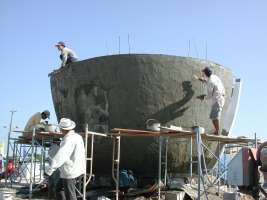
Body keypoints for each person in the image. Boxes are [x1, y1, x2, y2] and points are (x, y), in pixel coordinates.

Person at [46, 118, 86, 200]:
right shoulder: (78, 137)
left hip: (70, 171)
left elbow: (61, 156)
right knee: (59, 189)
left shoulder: (68, 139)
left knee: (70, 194)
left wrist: (50, 170)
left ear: (63, 129)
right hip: (77, 168)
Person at [194, 67, 225, 135]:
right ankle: (217, 131)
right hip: (220, 98)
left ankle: (217, 132)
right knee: (213, 116)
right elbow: (208, 81)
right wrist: (200, 79)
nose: (202, 75)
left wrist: (203, 97)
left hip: (217, 99)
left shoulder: (211, 82)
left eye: (203, 74)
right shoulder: (214, 77)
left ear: (206, 74)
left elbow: (210, 95)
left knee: (215, 117)